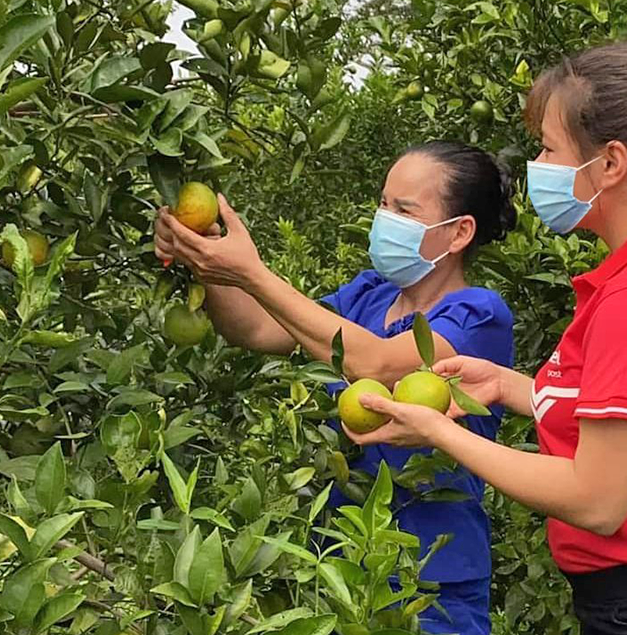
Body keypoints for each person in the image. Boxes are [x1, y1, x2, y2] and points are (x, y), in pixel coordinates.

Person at [344, 41, 627, 635]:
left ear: (610, 163)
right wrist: (505, 385)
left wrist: (439, 431)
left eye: (550, 147)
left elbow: (596, 499)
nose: (539, 163)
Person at [154, 141, 517, 635]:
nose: (384, 217)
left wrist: (253, 273)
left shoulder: (477, 316)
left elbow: (377, 365)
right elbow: (258, 329)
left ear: (459, 232)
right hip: (340, 567)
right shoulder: (367, 295)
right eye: (383, 204)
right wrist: (206, 254)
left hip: (430, 579)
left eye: (404, 210)